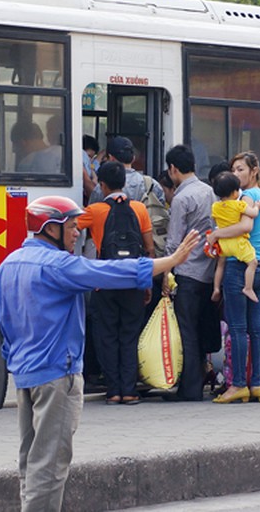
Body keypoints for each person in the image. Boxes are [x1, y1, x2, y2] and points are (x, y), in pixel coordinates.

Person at [0, 195, 198, 512]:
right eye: (72, 227)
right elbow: (111, 273)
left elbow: (5, 323)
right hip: (56, 376)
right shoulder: (58, 265)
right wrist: (170, 262)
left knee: (30, 461)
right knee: (49, 465)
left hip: (24, 376)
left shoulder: (8, 265)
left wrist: (15, 360)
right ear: (51, 229)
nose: (78, 233)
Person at [78, 161, 154, 405]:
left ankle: (113, 391)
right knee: (130, 336)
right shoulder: (140, 209)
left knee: (107, 336)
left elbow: (70, 226)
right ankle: (130, 390)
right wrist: (147, 284)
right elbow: (149, 249)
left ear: (102, 185)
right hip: (133, 281)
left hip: (104, 282)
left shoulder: (95, 210)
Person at [207, 151, 260, 404]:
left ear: (254, 170)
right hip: (258, 267)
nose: (235, 175)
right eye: (233, 170)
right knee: (256, 329)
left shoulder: (246, 197)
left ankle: (237, 385)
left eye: (240, 170)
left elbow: (245, 227)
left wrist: (216, 234)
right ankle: (257, 384)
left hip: (238, 266)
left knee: (237, 328)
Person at [161, 145, 218, 402]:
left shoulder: (181, 198)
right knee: (200, 328)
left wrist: (165, 272)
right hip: (208, 271)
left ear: (173, 169)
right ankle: (199, 382)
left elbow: (173, 242)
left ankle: (190, 390)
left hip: (187, 272)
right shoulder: (210, 192)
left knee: (187, 332)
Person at [209, 171, 260, 303]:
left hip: (223, 244)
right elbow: (253, 214)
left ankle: (216, 288)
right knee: (253, 262)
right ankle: (248, 288)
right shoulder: (239, 205)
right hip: (237, 243)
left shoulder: (215, 206)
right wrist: (257, 206)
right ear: (234, 193)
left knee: (220, 265)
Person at [89, 136, 166, 206]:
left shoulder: (103, 187)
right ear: (133, 158)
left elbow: (93, 212)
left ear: (111, 158)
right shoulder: (152, 185)